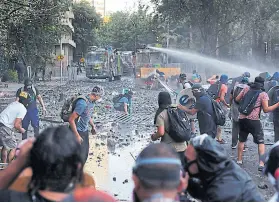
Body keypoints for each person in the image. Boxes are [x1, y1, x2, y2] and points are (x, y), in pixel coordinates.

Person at [0, 126, 94, 201]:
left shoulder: (9, 198)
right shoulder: (96, 199)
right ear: (78, 167)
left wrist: (20, 162)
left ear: (32, 165)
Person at [184, 134, 264, 202]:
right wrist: (189, 185)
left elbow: (213, 195)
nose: (185, 165)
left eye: (188, 160)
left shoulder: (223, 192)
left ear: (203, 162)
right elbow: (207, 191)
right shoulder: (222, 168)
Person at [235, 76, 279, 170]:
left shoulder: (246, 88)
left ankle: (239, 160)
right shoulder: (263, 94)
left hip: (242, 118)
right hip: (254, 120)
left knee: (242, 139)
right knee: (261, 141)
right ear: (262, 84)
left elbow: (237, 99)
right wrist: (277, 104)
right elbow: (266, 110)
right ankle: (261, 164)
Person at [69, 86, 104, 165]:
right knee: (76, 156)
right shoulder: (82, 103)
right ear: (95, 95)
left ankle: (79, 172)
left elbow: (87, 115)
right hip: (77, 131)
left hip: (84, 131)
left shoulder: (91, 102)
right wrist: (77, 136)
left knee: (84, 154)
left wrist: (93, 126)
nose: (100, 98)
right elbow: (71, 119)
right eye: (100, 96)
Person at [152, 92, 187, 167]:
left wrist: (154, 137)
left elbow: (161, 133)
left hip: (168, 148)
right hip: (183, 146)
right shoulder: (178, 109)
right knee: (181, 169)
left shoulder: (161, 113)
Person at [229, 76, 249, 149]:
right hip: (244, 110)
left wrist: (230, 105)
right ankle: (244, 146)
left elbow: (231, 97)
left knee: (235, 127)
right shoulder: (248, 88)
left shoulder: (235, 87)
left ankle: (234, 144)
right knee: (244, 128)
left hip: (235, 109)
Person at [215, 74, 229, 144]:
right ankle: (219, 139)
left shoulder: (216, 83)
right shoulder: (224, 86)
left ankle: (213, 137)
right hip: (218, 105)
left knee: (213, 121)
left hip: (212, 103)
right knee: (219, 121)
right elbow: (222, 98)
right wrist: (226, 104)